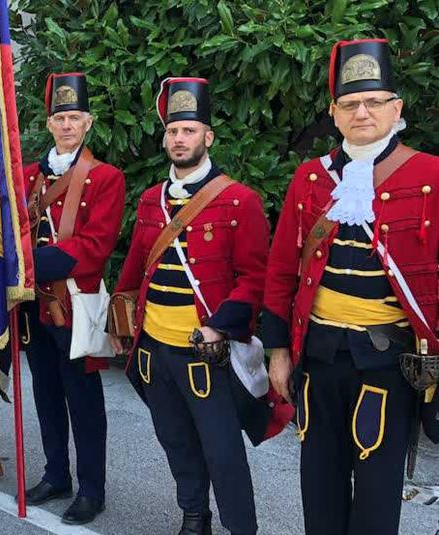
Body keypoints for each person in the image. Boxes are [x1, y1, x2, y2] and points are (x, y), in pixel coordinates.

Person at [264, 38, 439, 535]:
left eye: (374, 102)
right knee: (319, 484)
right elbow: (282, 270)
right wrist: (278, 351)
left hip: (389, 361)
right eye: (350, 104)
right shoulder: (309, 178)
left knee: (378, 495)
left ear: (396, 109)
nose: (362, 112)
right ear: (334, 113)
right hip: (318, 355)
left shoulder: (431, 174)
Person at [112, 78, 275, 535]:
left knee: (223, 451)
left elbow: (255, 277)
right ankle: (194, 516)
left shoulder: (240, 200)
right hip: (154, 347)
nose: (179, 139)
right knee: (176, 440)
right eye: (172, 131)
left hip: (204, 350)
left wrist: (220, 327)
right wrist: (119, 320)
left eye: (189, 130)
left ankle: (242, 528)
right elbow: (136, 267)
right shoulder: (151, 199)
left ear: (208, 137)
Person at [20, 72, 125, 525]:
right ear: (49, 124)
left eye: (75, 118)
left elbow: (94, 247)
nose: (67, 126)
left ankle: (91, 490)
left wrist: (26, 264)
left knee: (83, 400)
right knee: (45, 391)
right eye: (60, 118)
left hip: (74, 303)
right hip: (32, 304)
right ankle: (56, 474)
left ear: (88, 123)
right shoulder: (28, 175)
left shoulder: (106, 177)